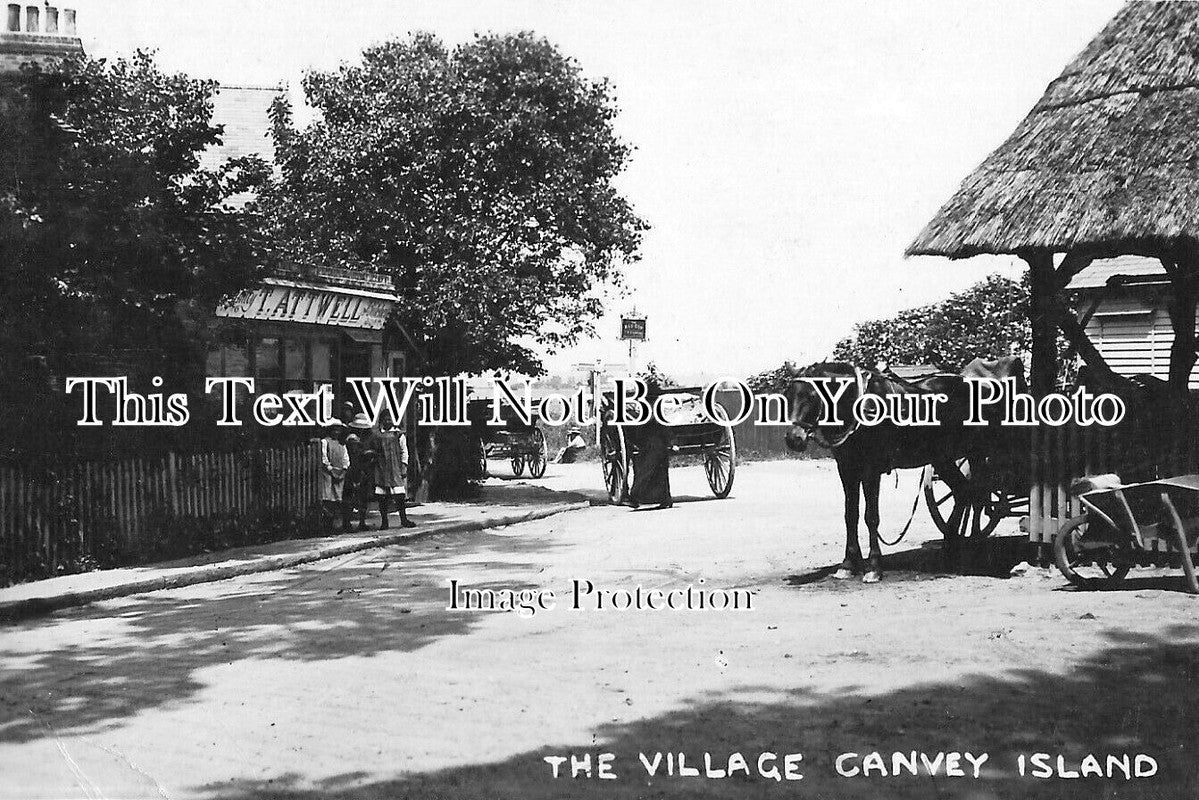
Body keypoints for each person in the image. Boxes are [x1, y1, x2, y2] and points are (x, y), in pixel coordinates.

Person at [362, 412, 416, 529]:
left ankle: (404, 519)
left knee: (399, 495)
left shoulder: (398, 435)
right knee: (382, 497)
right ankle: (384, 522)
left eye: (389, 419)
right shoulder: (376, 435)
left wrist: (404, 467)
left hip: (395, 467)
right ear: (381, 421)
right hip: (381, 468)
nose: (387, 422)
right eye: (385, 419)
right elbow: (370, 449)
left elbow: (404, 452)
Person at [627, 387, 673, 510]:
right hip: (655, 446)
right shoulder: (655, 411)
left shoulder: (646, 412)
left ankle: (638, 496)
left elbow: (639, 432)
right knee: (659, 473)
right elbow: (666, 429)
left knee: (647, 470)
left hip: (652, 447)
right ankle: (664, 499)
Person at [317, 421, 350, 533]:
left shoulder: (342, 444)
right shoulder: (325, 442)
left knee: (337, 500)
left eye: (338, 430)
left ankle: (336, 526)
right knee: (328, 499)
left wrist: (343, 471)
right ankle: (327, 526)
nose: (336, 432)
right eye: (334, 429)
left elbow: (346, 459)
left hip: (340, 475)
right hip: (328, 474)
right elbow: (324, 458)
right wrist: (331, 470)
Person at [345, 412, 375, 531]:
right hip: (351, 467)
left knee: (363, 497)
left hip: (365, 469)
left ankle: (362, 522)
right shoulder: (350, 438)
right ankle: (346, 523)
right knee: (348, 496)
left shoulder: (369, 437)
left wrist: (370, 454)